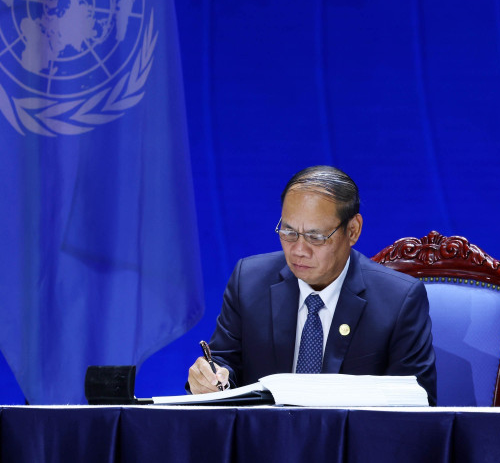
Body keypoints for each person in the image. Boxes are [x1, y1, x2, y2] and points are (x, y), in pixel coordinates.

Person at [188, 165, 438, 404]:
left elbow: (415, 404)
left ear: (353, 230)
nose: (298, 250)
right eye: (288, 233)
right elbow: (225, 363)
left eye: (315, 237)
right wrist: (210, 378)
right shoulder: (250, 281)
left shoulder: (398, 300)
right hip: (266, 441)